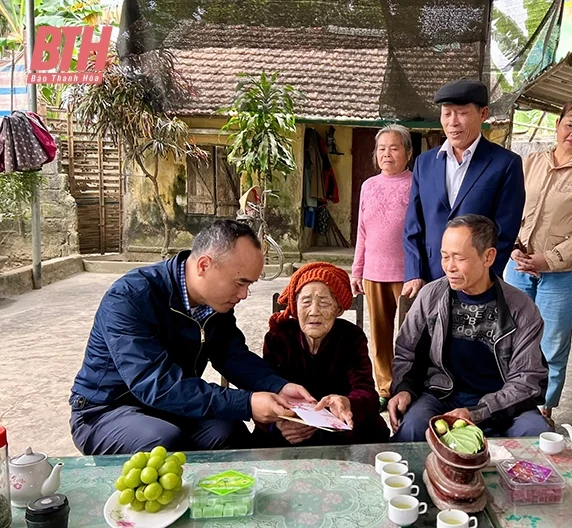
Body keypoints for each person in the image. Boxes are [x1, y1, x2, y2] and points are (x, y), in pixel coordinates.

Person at [69, 220, 314, 455]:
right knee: (161, 441)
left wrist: (278, 387)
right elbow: (157, 385)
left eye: (248, 285)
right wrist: (248, 403)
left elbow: (232, 355)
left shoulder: (215, 305)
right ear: (204, 265)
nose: (244, 294)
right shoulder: (130, 297)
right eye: (240, 283)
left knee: (228, 431)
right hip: (105, 410)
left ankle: (232, 497)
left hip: (170, 406)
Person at [389, 214, 551, 442]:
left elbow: (528, 379)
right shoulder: (430, 296)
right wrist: (404, 389)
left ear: (488, 257)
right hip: (441, 394)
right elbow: (407, 352)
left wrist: (479, 412)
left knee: (535, 432)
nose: (449, 267)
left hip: (500, 401)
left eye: (459, 258)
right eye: (445, 257)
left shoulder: (521, 308)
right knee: (414, 426)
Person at [504, 97, 572, 418]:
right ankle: (509, 402)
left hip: (562, 274)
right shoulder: (531, 162)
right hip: (518, 266)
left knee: (551, 342)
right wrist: (511, 247)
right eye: (570, 124)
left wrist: (548, 259)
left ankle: (541, 409)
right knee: (510, 336)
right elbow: (508, 209)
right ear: (557, 124)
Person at [402, 79, 524, 299]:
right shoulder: (425, 163)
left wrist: (484, 278)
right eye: (447, 114)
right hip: (429, 279)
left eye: (462, 113)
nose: (453, 122)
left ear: (483, 113)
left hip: (478, 283)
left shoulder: (505, 164)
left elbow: (505, 230)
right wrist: (414, 272)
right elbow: (414, 225)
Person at [257, 263, 390, 446]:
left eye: (324, 302)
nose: (314, 311)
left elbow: (367, 392)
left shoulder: (351, 337)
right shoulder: (279, 337)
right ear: (295, 306)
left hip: (341, 429)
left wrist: (347, 403)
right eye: (306, 301)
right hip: (290, 428)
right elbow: (262, 389)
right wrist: (279, 424)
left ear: (338, 309)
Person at [351, 125, 413, 411]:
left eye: (394, 147)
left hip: (407, 273)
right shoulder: (368, 186)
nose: (387, 154)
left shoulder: (416, 184)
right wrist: (357, 270)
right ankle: (385, 389)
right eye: (381, 148)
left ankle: (411, 387)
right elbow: (362, 232)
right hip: (374, 272)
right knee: (380, 336)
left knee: (412, 335)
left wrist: (419, 271)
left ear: (408, 153)